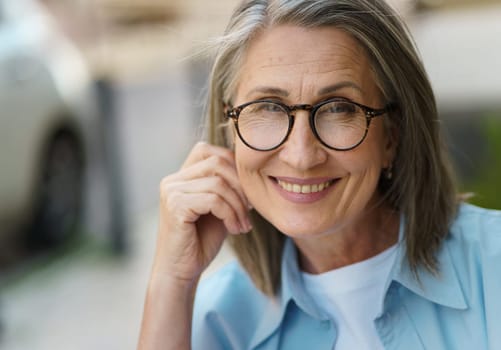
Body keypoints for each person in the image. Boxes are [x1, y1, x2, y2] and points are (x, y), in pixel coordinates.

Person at [137, 0, 501, 349]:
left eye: (339, 108)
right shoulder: (216, 320)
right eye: (268, 106)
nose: (301, 155)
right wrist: (170, 283)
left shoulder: (492, 265)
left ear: (392, 134)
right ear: (230, 125)